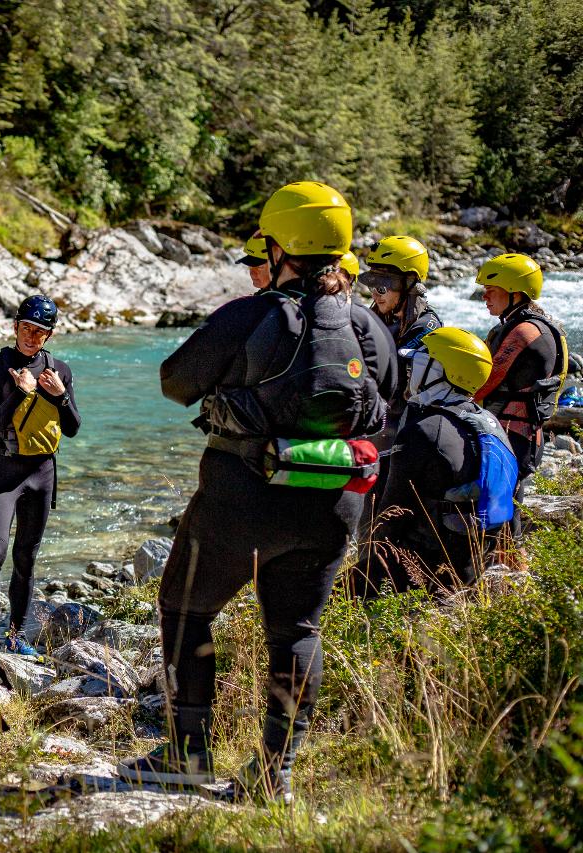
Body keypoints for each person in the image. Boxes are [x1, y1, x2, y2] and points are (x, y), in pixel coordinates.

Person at [118, 181, 397, 802]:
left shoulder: (254, 314)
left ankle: (187, 754)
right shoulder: (368, 324)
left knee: (186, 609)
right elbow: (389, 401)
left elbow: (174, 383)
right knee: (298, 629)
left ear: (279, 247)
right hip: (333, 504)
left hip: (240, 501)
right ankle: (277, 774)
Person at [354, 328, 517, 595]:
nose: (409, 370)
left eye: (419, 361)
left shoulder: (425, 430)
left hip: (423, 571)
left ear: (443, 371)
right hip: (471, 566)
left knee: (328, 599)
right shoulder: (487, 423)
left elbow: (392, 515)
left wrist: (367, 564)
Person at [0, 295, 82, 656]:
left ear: (49, 336)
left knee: (26, 556)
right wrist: (19, 394)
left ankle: (15, 635)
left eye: (40, 332)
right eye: (26, 328)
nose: (31, 337)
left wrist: (61, 396)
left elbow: (72, 429)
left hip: (42, 471)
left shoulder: (59, 371)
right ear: (15, 326)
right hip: (4, 470)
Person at [473, 253, 568, 540]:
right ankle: (510, 568)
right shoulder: (525, 324)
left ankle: (511, 571)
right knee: (505, 507)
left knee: (501, 512)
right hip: (516, 435)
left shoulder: (524, 332)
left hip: (513, 436)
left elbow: (486, 381)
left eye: (491, 290)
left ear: (515, 292)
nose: (484, 297)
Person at [357, 236, 443, 528]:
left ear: (409, 284)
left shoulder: (426, 329)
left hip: (402, 440)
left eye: (384, 285)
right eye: (372, 284)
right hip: (374, 431)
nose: (376, 292)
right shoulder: (376, 316)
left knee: (380, 521)